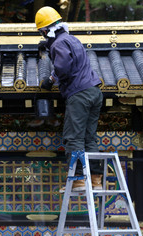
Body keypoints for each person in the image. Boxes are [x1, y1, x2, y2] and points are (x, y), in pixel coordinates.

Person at [35, 6, 103, 191]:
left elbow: (63, 68)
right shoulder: (72, 39)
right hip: (94, 92)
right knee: (89, 138)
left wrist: (50, 80)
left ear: (44, 30)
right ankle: (96, 180)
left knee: (73, 137)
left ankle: (78, 180)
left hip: (79, 94)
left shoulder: (58, 44)